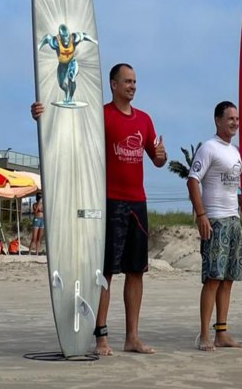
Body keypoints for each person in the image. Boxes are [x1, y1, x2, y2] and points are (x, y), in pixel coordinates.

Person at [31, 62, 167, 356]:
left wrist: (160, 155)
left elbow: (157, 159)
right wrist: (41, 115)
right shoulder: (100, 115)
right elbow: (66, 131)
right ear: (113, 85)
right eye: (127, 81)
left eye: (135, 81)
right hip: (109, 201)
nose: (132, 85)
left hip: (137, 203)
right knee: (105, 271)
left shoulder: (144, 120)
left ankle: (132, 337)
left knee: (136, 271)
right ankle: (101, 335)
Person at [187, 101, 242, 352]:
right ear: (218, 120)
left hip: (233, 220)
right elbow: (192, 180)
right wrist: (201, 215)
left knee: (228, 278)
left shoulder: (236, 152)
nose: (235, 122)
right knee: (212, 278)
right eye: (230, 118)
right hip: (216, 221)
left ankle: (221, 332)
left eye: (237, 119)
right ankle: (204, 335)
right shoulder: (208, 148)